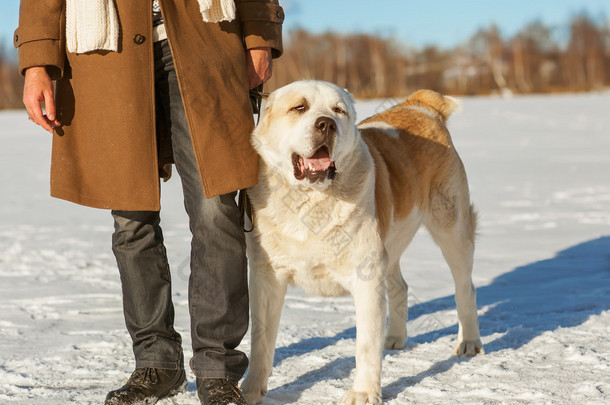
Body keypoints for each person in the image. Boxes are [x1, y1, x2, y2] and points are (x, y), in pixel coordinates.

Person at [15, 0, 284, 404]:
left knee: (216, 212)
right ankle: (156, 364)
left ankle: (217, 367)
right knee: (131, 219)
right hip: (106, 58)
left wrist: (261, 34)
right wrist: (37, 62)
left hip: (205, 43)